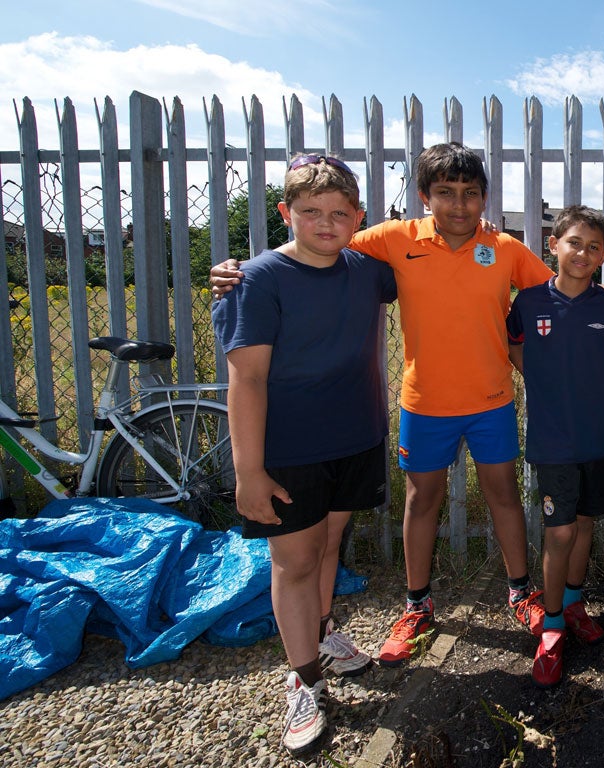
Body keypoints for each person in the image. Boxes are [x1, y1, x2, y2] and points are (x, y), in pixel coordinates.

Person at [211, 143, 553, 668]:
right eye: (445, 193)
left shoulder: (504, 247)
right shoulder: (393, 239)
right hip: (424, 402)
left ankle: (520, 591)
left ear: (485, 197)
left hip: (492, 402)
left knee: (504, 496)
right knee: (421, 501)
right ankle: (417, 605)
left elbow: (554, 293)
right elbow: (316, 245)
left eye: (470, 194)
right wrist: (238, 269)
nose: (458, 205)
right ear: (423, 197)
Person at [212, 154, 397, 755]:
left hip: (357, 437)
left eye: (339, 213)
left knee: (327, 548)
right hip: (287, 453)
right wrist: (249, 471)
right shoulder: (260, 279)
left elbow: (435, 270)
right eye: (311, 212)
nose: (325, 223)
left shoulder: (369, 271)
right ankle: (303, 680)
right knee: (293, 562)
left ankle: (321, 638)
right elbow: (248, 381)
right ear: (285, 213)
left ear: (358, 219)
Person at [506, 206, 604, 688]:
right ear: (553, 245)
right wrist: (540, 380)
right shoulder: (529, 302)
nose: (583, 253)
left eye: (594, 247)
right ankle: (551, 626)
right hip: (552, 442)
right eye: (574, 242)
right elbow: (514, 346)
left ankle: (574, 603)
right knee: (558, 534)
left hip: (598, 439)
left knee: (584, 523)